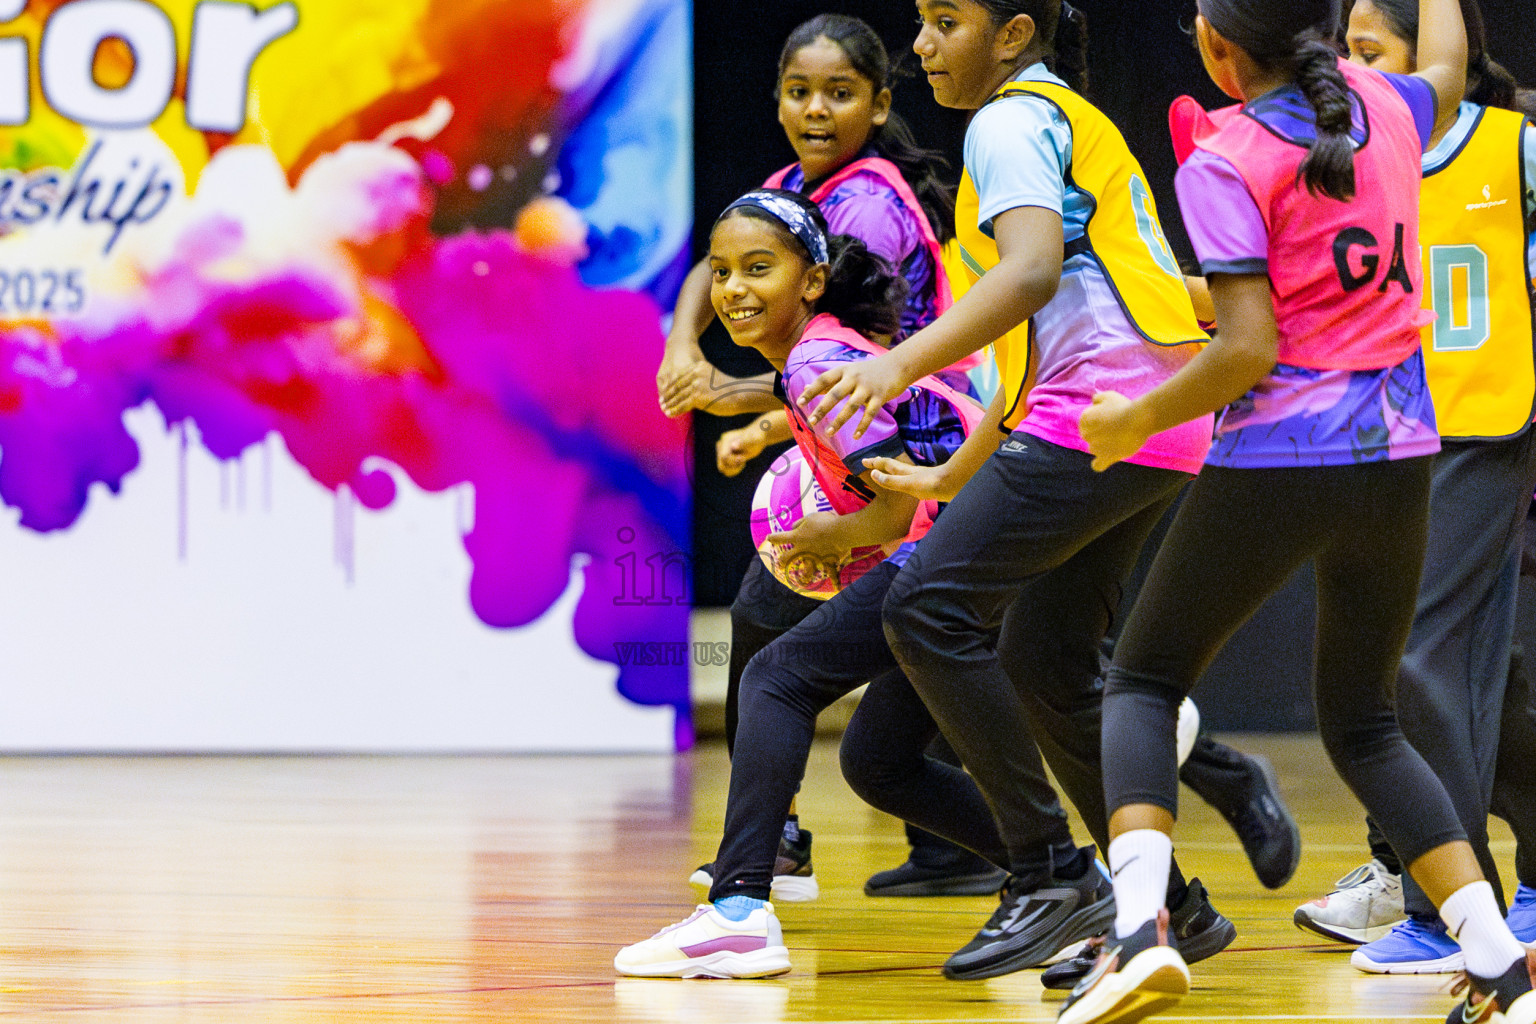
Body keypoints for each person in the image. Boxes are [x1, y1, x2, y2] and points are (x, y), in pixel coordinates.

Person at [1063, 0, 1536, 1018]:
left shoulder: (1227, 155)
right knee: (1366, 722)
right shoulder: (1390, 107)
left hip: (1282, 453)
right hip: (1400, 458)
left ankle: (1136, 934)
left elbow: (1246, 349)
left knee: (1141, 681)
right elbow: (1447, 63)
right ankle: (1499, 959)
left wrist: (1133, 418)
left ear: (1216, 47)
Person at [797, 0, 1258, 984]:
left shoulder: (1008, 121)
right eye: (920, 21)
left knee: (926, 608)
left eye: (945, 21)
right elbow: (1028, 351)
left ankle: (1050, 871)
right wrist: (951, 476)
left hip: (1100, 414)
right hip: (1157, 423)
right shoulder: (1062, 118)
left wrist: (894, 366)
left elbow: (1033, 276)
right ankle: (1168, 907)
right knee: (1046, 659)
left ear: (1010, 35)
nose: (922, 44)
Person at [665, 14, 1004, 902]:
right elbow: (724, 271)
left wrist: (748, 405)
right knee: (894, 694)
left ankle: (762, 860)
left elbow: (846, 378)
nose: (816, 109)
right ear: (777, 100)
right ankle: (996, 852)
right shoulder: (794, 189)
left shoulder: (864, 211)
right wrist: (685, 348)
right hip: (895, 445)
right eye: (799, 91)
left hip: (919, 452)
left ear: (879, 104)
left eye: (839, 92)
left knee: (779, 647)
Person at [615, 189, 992, 977]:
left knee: (775, 678)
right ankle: (1069, 879)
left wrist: (830, 537)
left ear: (813, 280)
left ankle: (739, 910)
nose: (733, 289)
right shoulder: (816, 356)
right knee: (879, 763)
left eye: (759, 268)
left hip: (965, 551)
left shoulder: (819, 363)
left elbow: (896, 510)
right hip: (978, 550)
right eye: (722, 271)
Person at [1288, 0, 1536, 974]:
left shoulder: (1512, 147)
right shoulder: (1352, 161)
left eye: (1370, 50)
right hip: (1390, 439)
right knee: (1483, 674)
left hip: (1485, 425)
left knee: (1414, 658)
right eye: (1341, 52)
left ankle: (1446, 909)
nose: (1351, 69)